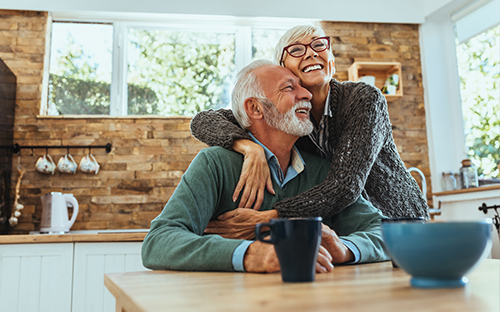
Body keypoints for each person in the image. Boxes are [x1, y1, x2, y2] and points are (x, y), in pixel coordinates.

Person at [142, 60, 389, 272]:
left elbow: (384, 233)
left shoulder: (323, 172)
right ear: (255, 108)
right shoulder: (215, 164)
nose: (307, 95)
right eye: (289, 88)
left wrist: (344, 249)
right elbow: (159, 242)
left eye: (302, 87)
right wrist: (252, 254)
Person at [190, 24, 428, 239]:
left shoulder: (363, 99)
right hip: (348, 230)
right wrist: (249, 147)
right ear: (284, 70)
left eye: (318, 45)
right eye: (296, 50)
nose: (312, 53)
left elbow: (345, 185)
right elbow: (203, 121)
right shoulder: (286, 117)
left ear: (331, 61)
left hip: (397, 221)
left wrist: (271, 217)